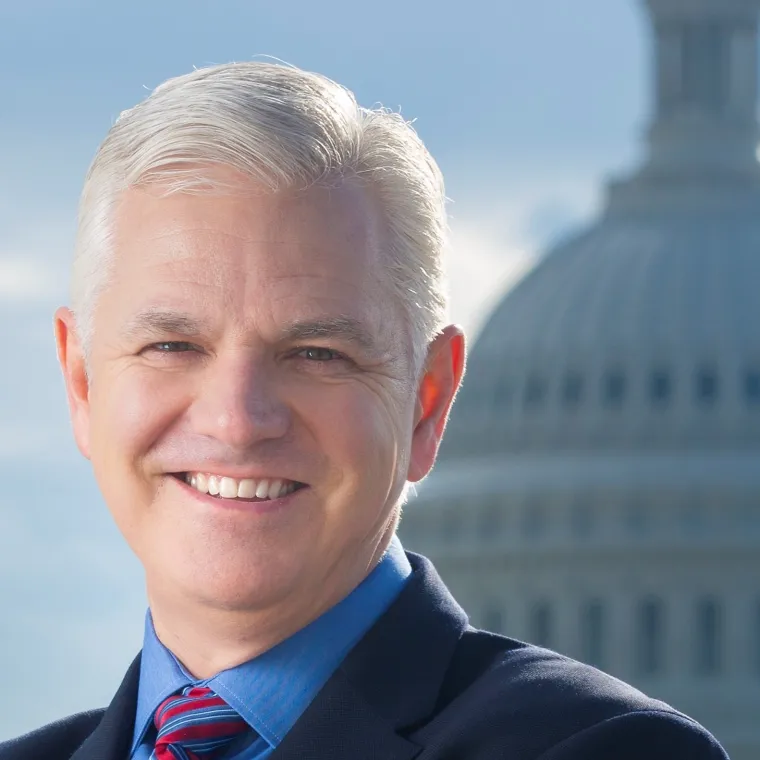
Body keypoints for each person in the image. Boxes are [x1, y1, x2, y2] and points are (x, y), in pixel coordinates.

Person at [1, 62, 728, 760]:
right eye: (172, 344)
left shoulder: (606, 750)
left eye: (316, 352)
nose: (237, 419)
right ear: (83, 384)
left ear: (427, 401)